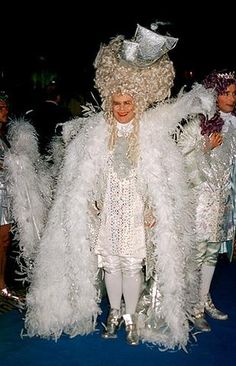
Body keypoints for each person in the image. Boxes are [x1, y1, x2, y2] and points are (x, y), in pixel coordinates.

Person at [22, 24, 215, 350]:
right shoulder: (95, 132)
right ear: (110, 103)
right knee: (110, 263)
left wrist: (154, 207)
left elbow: (160, 178)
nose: (122, 108)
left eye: (127, 103)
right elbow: (86, 175)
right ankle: (114, 312)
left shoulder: (151, 134)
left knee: (131, 264)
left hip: (137, 211)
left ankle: (131, 317)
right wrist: (92, 200)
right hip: (110, 209)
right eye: (117, 103)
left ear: (136, 103)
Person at [177, 70, 236, 332]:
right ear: (214, 95)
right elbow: (178, 159)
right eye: (226, 92)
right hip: (199, 200)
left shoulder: (234, 124)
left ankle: (203, 300)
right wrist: (204, 149)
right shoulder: (196, 126)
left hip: (222, 199)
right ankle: (192, 305)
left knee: (213, 252)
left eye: (234, 93)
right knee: (197, 252)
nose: (231, 98)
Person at [0, 90, 19, 300]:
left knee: (4, 241)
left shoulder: (3, 137)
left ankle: (2, 284)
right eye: (1, 108)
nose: (6, 111)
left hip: (5, 194)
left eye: (6, 107)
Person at [25, 81, 72, 155]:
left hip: (35, 155)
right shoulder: (65, 114)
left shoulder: (32, 112)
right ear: (58, 97)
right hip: (57, 155)